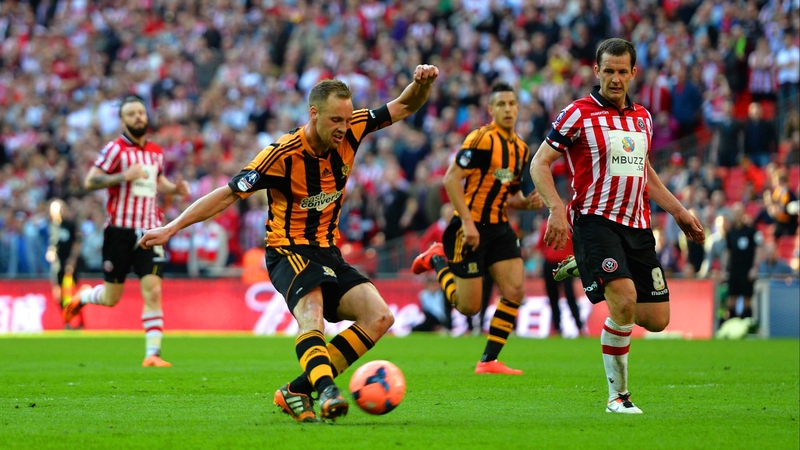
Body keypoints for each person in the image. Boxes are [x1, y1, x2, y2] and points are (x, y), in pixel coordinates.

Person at [138, 65, 440, 422]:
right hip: (288, 250)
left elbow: (405, 106)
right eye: (335, 120)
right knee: (312, 318)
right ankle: (327, 391)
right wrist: (172, 228)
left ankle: (298, 390)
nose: (343, 127)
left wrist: (420, 84)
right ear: (314, 114)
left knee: (379, 317)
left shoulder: (355, 127)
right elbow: (227, 195)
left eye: (346, 118)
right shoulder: (281, 155)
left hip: (328, 250)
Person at [530, 38, 705, 414]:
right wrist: (556, 209)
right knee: (623, 301)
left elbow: (645, 173)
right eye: (608, 71)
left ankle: (588, 264)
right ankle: (618, 397)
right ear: (596, 71)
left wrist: (679, 211)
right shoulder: (577, 113)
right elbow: (539, 163)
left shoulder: (642, 117)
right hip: (594, 221)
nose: (615, 78)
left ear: (633, 73)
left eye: (622, 71)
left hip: (637, 226)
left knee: (657, 320)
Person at [411, 82, 543, 375]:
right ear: (491, 109)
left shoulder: (521, 149)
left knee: (515, 290)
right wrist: (468, 224)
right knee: (467, 306)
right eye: (501, 104)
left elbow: (510, 193)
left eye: (512, 103)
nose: (508, 109)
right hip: (469, 226)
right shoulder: (481, 140)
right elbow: (451, 179)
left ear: (518, 108)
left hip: (499, 227)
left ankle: (488, 361)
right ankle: (436, 258)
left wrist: (526, 204)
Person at [62, 94, 190, 368]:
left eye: (141, 113)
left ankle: (152, 354)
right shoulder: (115, 150)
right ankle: (84, 295)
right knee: (111, 298)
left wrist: (174, 189)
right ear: (122, 120)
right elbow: (90, 180)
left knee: (153, 290)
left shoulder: (156, 151)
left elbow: (158, 182)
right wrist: (122, 176)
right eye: (131, 114)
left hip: (150, 230)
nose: (138, 118)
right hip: (119, 231)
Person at [536, 217, 583, 337]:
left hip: (567, 263)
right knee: (553, 298)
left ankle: (579, 327)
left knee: (570, 296)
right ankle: (557, 328)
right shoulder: (545, 224)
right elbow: (541, 245)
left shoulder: (571, 224)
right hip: (550, 264)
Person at [47, 198, 85, 329]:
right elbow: (53, 244)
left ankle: (79, 321)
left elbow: (77, 242)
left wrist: (73, 259)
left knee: (72, 293)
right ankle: (67, 320)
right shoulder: (52, 226)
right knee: (58, 294)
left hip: (69, 264)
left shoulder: (70, 224)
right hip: (57, 264)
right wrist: (50, 252)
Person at [723, 203, 762, 321]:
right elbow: (727, 252)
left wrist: (755, 268)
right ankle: (730, 327)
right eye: (735, 213)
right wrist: (725, 269)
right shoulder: (730, 233)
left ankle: (748, 328)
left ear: (744, 213)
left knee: (747, 301)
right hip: (734, 270)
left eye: (740, 212)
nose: (738, 215)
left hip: (747, 270)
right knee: (731, 301)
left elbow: (758, 250)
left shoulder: (751, 231)